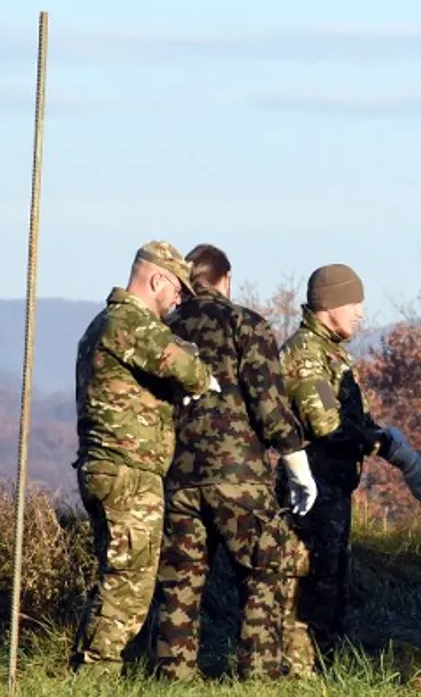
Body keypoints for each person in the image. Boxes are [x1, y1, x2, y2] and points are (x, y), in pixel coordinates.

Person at [153, 244, 317, 680]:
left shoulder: (165, 330)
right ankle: (258, 677)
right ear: (227, 279)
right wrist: (296, 461)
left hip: (179, 476)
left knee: (179, 583)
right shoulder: (245, 324)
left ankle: (173, 678)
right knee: (266, 572)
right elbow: (268, 402)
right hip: (239, 477)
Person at [276, 263, 421, 672]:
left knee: (330, 585)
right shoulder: (306, 356)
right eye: (354, 303)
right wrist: (386, 443)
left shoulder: (329, 354)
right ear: (330, 305)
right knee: (306, 588)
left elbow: (352, 423)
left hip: (332, 491)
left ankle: (321, 670)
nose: (361, 313)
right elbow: (325, 423)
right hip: (310, 494)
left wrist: (399, 455)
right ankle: (297, 675)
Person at [70, 241, 219, 674]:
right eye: (178, 292)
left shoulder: (105, 323)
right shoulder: (130, 323)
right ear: (157, 279)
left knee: (117, 574)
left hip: (109, 468)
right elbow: (191, 369)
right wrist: (196, 372)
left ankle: (89, 667)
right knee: (129, 584)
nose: (178, 302)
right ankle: (96, 673)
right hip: (128, 471)